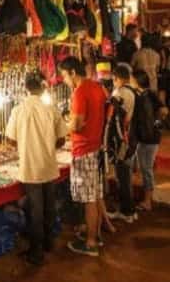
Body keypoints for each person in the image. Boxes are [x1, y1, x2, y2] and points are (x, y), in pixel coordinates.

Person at [5, 72, 67, 265]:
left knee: (35, 211)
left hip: (30, 166)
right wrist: (47, 147)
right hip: (48, 165)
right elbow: (62, 139)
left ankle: (36, 253)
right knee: (49, 206)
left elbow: (10, 139)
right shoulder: (51, 110)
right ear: (42, 87)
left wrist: (26, 146)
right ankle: (48, 243)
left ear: (26, 88)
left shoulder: (18, 110)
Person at [60, 57, 107, 257]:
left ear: (72, 72)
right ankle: (94, 234)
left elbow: (77, 124)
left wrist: (64, 124)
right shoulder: (96, 87)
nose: (63, 80)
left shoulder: (80, 92)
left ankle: (90, 243)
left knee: (88, 198)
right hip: (95, 146)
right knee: (94, 195)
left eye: (64, 75)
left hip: (84, 149)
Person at [106, 65, 137, 223]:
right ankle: (129, 208)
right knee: (126, 175)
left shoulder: (119, 93)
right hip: (131, 137)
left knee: (123, 176)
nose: (113, 82)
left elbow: (112, 118)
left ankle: (127, 212)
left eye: (114, 79)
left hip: (121, 139)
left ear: (117, 78)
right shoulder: (132, 92)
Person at [133, 70, 167, 211]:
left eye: (131, 79)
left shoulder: (148, 95)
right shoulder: (143, 95)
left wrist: (156, 125)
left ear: (137, 81)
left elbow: (164, 110)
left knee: (146, 169)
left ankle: (147, 201)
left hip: (149, 138)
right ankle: (148, 197)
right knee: (145, 168)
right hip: (147, 137)